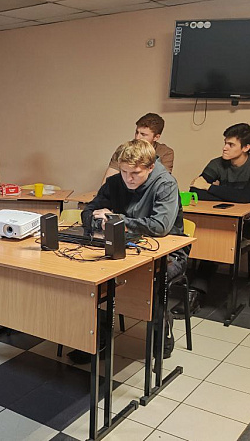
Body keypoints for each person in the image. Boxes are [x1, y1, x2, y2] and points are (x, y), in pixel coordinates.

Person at [72, 139, 189, 362]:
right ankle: (98, 337)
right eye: (124, 172)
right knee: (95, 277)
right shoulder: (115, 182)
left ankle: (162, 333)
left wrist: (116, 219)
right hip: (124, 245)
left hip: (169, 253)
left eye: (135, 173)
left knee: (154, 280)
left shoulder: (166, 184)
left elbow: (160, 227)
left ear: (150, 167)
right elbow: (88, 212)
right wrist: (100, 222)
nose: (128, 178)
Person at [176, 123, 250, 318]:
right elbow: (195, 191)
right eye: (225, 143)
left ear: (246, 147)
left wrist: (210, 188)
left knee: (217, 236)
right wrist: (228, 195)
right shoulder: (217, 163)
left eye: (231, 144)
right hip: (221, 218)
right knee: (209, 232)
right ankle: (188, 288)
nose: (224, 148)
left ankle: (194, 293)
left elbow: (247, 196)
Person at [102, 113, 174, 184]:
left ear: (156, 137)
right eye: (137, 132)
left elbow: (162, 181)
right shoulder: (124, 149)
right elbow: (108, 180)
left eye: (143, 134)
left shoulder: (165, 153)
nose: (137, 137)